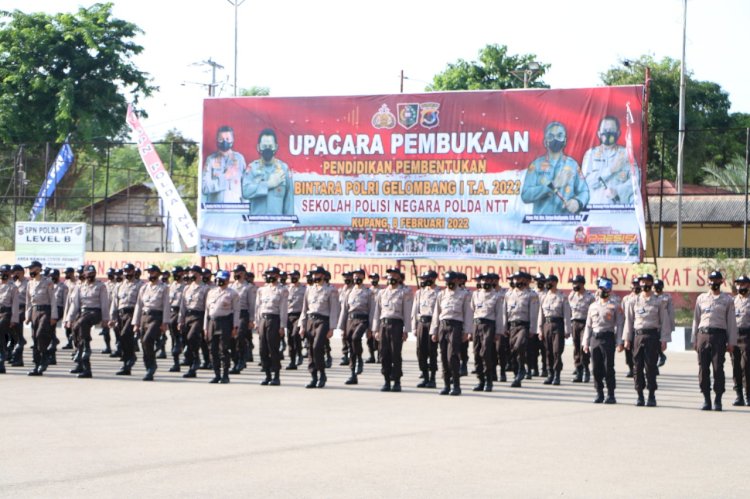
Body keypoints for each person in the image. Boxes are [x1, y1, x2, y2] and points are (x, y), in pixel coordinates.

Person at [691, 270, 738, 411]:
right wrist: (694, 339)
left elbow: (731, 322)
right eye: (711, 279)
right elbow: (696, 319)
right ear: (708, 281)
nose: (713, 282)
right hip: (703, 335)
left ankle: (718, 399)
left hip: (719, 336)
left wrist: (731, 341)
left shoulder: (727, 300)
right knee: (703, 368)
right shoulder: (701, 298)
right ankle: (706, 399)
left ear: (721, 282)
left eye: (716, 280)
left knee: (718, 368)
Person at [520, 121, 590, 214]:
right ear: (545, 142)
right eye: (551, 136)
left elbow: (584, 191)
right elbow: (525, 195)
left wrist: (578, 202)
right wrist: (553, 185)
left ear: (565, 141)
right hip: (540, 224)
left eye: (559, 136)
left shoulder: (573, 165)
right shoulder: (535, 165)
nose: (555, 139)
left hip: (565, 225)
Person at [623, 273, 670, 407]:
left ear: (651, 283)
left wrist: (664, 339)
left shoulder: (659, 301)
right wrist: (627, 338)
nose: (644, 284)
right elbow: (629, 321)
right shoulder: (633, 301)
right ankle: (639, 395)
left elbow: (664, 321)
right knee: (637, 367)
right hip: (638, 336)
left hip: (652, 336)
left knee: (651, 367)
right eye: (642, 282)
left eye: (647, 282)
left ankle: (651, 395)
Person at [430, 271, 472, 396]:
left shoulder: (464, 295)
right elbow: (436, 314)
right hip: (443, 325)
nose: (449, 284)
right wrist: (434, 331)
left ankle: (456, 385)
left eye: (452, 281)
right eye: (447, 281)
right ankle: (446, 385)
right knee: (443, 356)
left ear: (457, 281)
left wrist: (467, 331)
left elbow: (468, 314)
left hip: (456, 326)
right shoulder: (441, 294)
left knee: (452, 356)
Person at [583, 278, 624, 404]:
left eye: (605, 289)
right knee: (596, 368)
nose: (602, 291)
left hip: (608, 338)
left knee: (608, 368)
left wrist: (619, 342)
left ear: (609, 290)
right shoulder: (593, 306)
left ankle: (611, 394)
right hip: (595, 338)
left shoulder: (615, 306)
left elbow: (619, 325)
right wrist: (585, 342)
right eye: (600, 288)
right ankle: (599, 393)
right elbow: (588, 325)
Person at [581, 115, 638, 205]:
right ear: (599, 133)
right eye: (604, 130)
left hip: (620, 209)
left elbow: (636, 180)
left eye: (611, 130)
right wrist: (611, 170)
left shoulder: (627, 154)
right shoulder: (590, 154)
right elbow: (586, 182)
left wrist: (618, 191)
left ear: (618, 133)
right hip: (595, 209)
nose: (608, 133)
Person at [65, 265, 109, 379]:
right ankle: (82, 364)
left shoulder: (100, 286)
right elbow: (75, 304)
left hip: (95, 312)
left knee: (81, 324)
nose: (90, 276)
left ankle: (85, 349)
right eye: (88, 274)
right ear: (84, 275)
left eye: (92, 274)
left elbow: (104, 303)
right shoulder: (80, 287)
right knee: (76, 329)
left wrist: (105, 319)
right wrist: (69, 319)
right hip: (83, 313)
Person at [372, 267, 412, 392]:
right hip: (384, 325)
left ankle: (397, 381)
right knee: (384, 354)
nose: (391, 277)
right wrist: (376, 329)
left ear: (399, 277)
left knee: (395, 354)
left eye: (394, 275)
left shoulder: (403, 293)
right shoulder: (382, 293)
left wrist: (406, 330)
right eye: (389, 275)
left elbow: (407, 312)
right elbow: (377, 312)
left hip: (397, 325)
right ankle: (386, 380)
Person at [299, 266, 339, 388]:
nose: (315, 277)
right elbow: (304, 309)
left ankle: (322, 374)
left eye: (317, 274)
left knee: (317, 347)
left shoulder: (330, 290)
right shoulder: (309, 290)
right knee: (310, 349)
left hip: (323, 321)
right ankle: (313, 377)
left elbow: (333, 310)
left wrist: (332, 328)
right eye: (313, 275)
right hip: (310, 320)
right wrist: (302, 325)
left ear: (323, 275)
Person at [241, 128, 294, 215]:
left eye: (270, 146)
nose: (267, 149)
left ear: (276, 147)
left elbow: (289, 203)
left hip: (277, 226)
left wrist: (288, 224)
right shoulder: (252, 168)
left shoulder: (284, 169)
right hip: (257, 225)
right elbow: (245, 192)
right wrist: (268, 184)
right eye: (264, 147)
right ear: (258, 147)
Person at [133, 265, 171, 381]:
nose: (150, 274)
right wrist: (136, 323)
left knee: (147, 340)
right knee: (144, 344)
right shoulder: (144, 288)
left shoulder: (163, 288)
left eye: (152, 272)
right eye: (149, 272)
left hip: (156, 317)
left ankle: (152, 366)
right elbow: (139, 305)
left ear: (158, 274)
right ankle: (149, 366)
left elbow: (166, 306)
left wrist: (165, 322)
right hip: (145, 316)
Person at [337, 268, 374, 385]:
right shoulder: (349, 292)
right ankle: (353, 374)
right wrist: (342, 327)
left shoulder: (368, 292)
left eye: (359, 275)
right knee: (350, 345)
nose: (356, 277)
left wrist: (371, 329)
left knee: (355, 338)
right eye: (355, 275)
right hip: (350, 320)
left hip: (362, 319)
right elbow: (344, 310)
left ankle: (360, 359)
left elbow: (372, 310)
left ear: (363, 277)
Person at [470, 274, 505, 392]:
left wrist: (499, 331)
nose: (484, 282)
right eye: (483, 280)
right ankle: (480, 380)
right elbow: (471, 311)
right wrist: (469, 330)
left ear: (492, 281)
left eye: (487, 280)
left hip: (489, 325)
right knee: (476, 353)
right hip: (476, 325)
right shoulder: (475, 294)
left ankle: (489, 380)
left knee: (485, 353)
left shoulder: (496, 296)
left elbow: (500, 315)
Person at [504, 272, 539, 387]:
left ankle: (522, 369)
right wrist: (504, 327)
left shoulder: (531, 294)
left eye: (519, 278)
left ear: (525, 280)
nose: (516, 281)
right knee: (513, 351)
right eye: (515, 279)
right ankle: (517, 373)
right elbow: (504, 313)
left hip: (524, 326)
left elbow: (533, 314)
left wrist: (532, 329)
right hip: (512, 326)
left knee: (519, 346)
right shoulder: (509, 294)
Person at [204, 270, 240, 384]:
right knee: (212, 349)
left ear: (227, 280)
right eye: (218, 278)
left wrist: (235, 327)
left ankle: (225, 375)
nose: (219, 281)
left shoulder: (232, 293)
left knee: (223, 349)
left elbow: (236, 311)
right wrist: (205, 326)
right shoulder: (211, 292)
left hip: (225, 323)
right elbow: (207, 310)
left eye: (222, 279)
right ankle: (216, 374)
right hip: (212, 322)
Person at [255, 267, 288, 386]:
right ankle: (267, 375)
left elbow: (283, 309)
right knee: (262, 349)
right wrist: (257, 322)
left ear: (278, 276)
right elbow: (258, 307)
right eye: (269, 274)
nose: (271, 276)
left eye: (273, 274)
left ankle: (276, 376)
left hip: (274, 320)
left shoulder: (282, 290)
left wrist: (282, 326)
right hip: (263, 319)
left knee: (273, 349)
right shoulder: (262, 290)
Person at [24, 261, 58, 376]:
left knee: (40, 334)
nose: (30, 271)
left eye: (32, 269)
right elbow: (28, 301)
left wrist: (54, 316)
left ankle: (45, 357)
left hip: (45, 311)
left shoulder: (47, 282)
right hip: (34, 311)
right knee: (34, 337)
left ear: (38, 269)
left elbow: (53, 299)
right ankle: (37, 365)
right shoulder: (30, 283)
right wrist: (27, 316)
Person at [537, 275, 571, 386]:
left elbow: (566, 314)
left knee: (557, 351)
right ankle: (550, 374)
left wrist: (567, 330)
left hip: (558, 325)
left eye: (550, 281)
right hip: (546, 325)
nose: (547, 283)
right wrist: (540, 329)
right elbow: (540, 314)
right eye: (547, 281)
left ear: (555, 282)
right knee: (547, 351)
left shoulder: (562, 296)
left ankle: (557, 375)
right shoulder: (544, 296)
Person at [109, 263, 141, 375]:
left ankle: (130, 358)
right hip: (121, 314)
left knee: (125, 335)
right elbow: (115, 302)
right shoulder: (119, 285)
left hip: (132, 313)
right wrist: (112, 317)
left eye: (129, 271)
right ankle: (127, 362)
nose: (127, 273)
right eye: (125, 271)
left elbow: (140, 303)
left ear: (133, 271)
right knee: (122, 339)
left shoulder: (140, 285)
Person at [179, 265, 210, 378]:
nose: (191, 274)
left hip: (199, 316)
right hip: (188, 316)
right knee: (188, 340)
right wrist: (180, 320)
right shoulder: (187, 288)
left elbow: (207, 307)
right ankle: (193, 363)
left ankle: (196, 361)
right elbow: (183, 305)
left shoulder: (205, 288)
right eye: (190, 272)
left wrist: (207, 323)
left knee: (192, 337)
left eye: (193, 272)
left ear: (199, 274)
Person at [202, 125, 246, 203]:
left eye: (227, 139)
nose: (224, 142)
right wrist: (224, 177)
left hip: (235, 210)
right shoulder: (211, 160)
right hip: (215, 210)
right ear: (217, 140)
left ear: (232, 140)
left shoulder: (239, 159)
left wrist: (246, 209)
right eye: (221, 139)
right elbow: (204, 187)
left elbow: (245, 187)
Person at [412, 270, 439, 388]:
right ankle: (425, 376)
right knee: (420, 351)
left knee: (432, 352)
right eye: (422, 278)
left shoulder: (439, 293)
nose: (422, 280)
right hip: (421, 324)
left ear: (433, 278)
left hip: (432, 324)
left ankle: (432, 378)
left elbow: (439, 313)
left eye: (425, 278)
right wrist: (414, 327)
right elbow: (415, 311)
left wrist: (436, 329)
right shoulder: (419, 293)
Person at [569, 275, 595, 383]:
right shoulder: (571, 296)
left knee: (583, 347)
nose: (574, 285)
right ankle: (578, 370)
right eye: (573, 283)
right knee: (576, 347)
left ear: (582, 284)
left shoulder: (590, 297)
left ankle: (586, 370)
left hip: (585, 324)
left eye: (576, 283)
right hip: (575, 323)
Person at [229, 264, 253, 374]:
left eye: (237, 272)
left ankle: (242, 359)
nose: (235, 274)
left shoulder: (248, 287)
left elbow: (252, 304)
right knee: (231, 339)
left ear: (243, 273)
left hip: (243, 314)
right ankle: (235, 361)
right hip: (232, 314)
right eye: (234, 272)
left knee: (239, 336)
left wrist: (251, 320)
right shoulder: (231, 287)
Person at [732, 275, 750, 406]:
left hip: (747, 336)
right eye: (738, 284)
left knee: (746, 366)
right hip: (735, 336)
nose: (740, 286)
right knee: (736, 367)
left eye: (743, 284)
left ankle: (748, 394)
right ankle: (739, 395)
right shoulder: (732, 301)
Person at [0, 265, 20, 374]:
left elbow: (15, 305)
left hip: (6, 313)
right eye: (2, 271)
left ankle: (1, 361)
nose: (3, 273)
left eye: (6, 271)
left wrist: (14, 319)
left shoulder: (13, 287)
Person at [620, 277, 641, 378]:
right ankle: (630, 368)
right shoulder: (626, 299)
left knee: (638, 350)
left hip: (639, 328)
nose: (635, 286)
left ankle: (638, 368)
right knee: (628, 349)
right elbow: (622, 314)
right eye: (634, 284)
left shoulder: (643, 298)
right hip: (628, 327)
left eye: (637, 284)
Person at [285, 270, 306, 369]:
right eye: (290, 276)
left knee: (295, 335)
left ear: (298, 276)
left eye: (294, 276)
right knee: (289, 338)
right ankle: (292, 361)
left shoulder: (303, 289)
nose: (292, 277)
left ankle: (299, 353)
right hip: (289, 315)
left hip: (299, 315)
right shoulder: (287, 289)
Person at [167, 266, 186, 372]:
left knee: (183, 339)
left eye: (177, 273)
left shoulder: (186, 287)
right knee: (174, 339)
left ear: (182, 273)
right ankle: (176, 363)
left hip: (181, 313)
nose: (175, 275)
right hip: (172, 313)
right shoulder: (171, 286)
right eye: (173, 273)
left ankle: (189, 358)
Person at [654, 279, 673, 368]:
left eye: (659, 286)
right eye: (656, 286)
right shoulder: (651, 296)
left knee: (660, 343)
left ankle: (661, 356)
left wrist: (671, 326)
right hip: (653, 321)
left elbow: (670, 312)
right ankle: (660, 356)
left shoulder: (667, 297)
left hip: (663, 323)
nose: (657, 288)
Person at [338, 271, 355, 366]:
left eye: (348, 277)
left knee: (350, 336)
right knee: (343, 335)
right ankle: (345, 354)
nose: (346, 279)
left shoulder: (354, 289)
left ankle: (351, 354)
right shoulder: (342, 290)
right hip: (343, 315)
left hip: (351, 316)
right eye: (344, 277)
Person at [366, 272, 382, 363]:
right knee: (369, 338)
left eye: (375, 278)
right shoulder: (368, 291)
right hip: (369, 316)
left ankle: (380, 356)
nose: (373, 280)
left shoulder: (382, 291)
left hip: (379, 317)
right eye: (371, 278)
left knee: (379, 338)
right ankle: (371, 356)